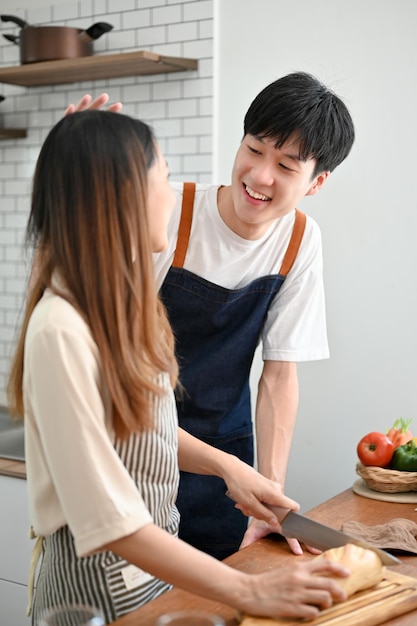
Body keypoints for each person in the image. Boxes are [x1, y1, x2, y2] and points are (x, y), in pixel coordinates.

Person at [7, 110, 350, 624]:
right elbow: (110, 522)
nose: (175, 194)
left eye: (284, 164)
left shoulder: (116, 313)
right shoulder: (62, 328)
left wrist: (232, 468)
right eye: (163, 177)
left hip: (150, 568)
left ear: (315, 181)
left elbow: (148, 425)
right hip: (98, 588)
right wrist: (249, 590)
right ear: (118, 196)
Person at [60, 71, 356, 561]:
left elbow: (279, 376)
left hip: (227, 462)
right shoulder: (168, 214)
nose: (261, 176)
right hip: (135, 443)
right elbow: (81, 279)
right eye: (255, 149)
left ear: (316, 182)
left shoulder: (301, 241)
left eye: (285, 165)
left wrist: (268, 494)